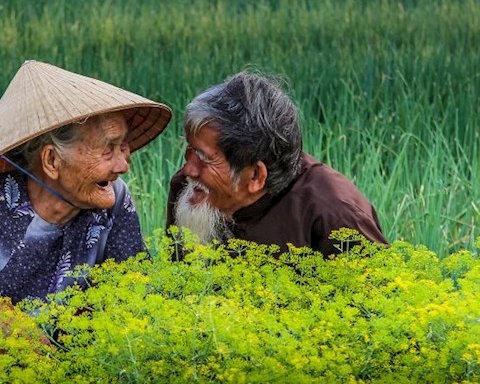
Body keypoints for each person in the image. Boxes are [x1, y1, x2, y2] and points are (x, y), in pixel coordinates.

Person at [0, 60, 172, 308]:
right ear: (51, 160)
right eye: (107, 149)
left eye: (123, 147)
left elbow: (138, 296)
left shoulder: (113, 199)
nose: (122, 166)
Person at [166, 70, 388, 256]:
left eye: (204, 158)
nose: (188, 169)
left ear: (256, 176)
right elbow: (177, 286)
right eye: (190, 151)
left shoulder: (334, 213)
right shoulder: (188, 191)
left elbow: (383, 301)